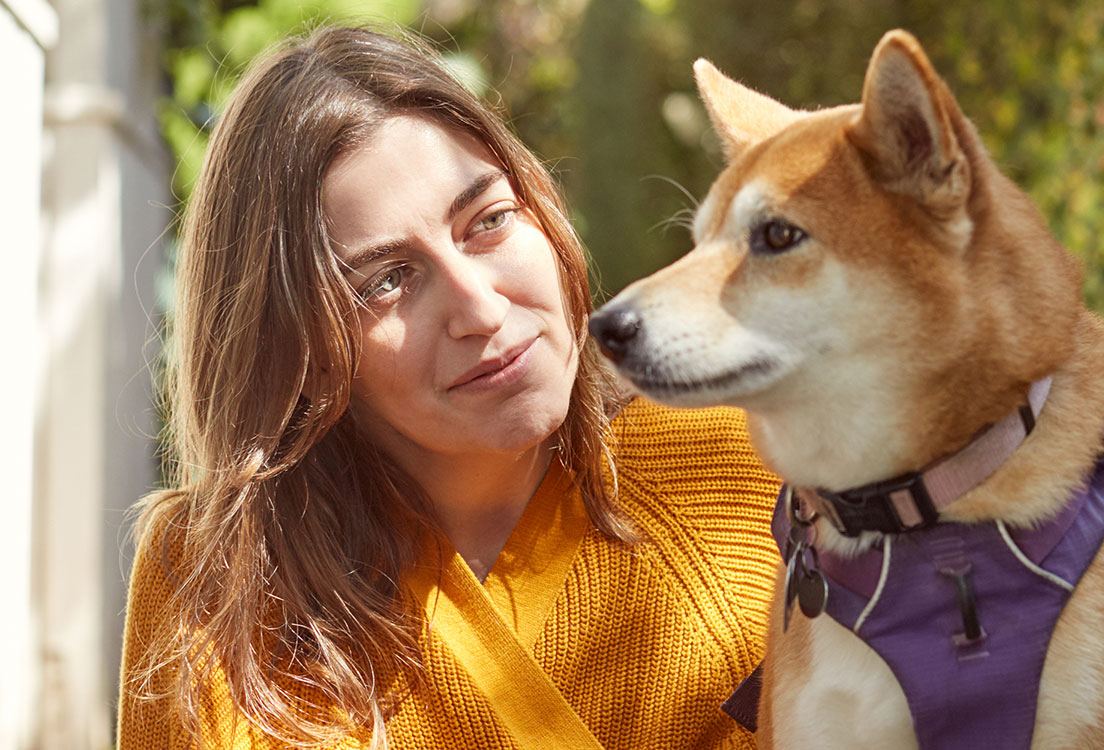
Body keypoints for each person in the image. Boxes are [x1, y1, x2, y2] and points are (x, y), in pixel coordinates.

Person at [118, 25, 781, 749]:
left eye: (489, 222)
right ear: (298, 350)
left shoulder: (756, 457)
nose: (481, 309)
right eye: (387, 280)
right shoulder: (215, 584)